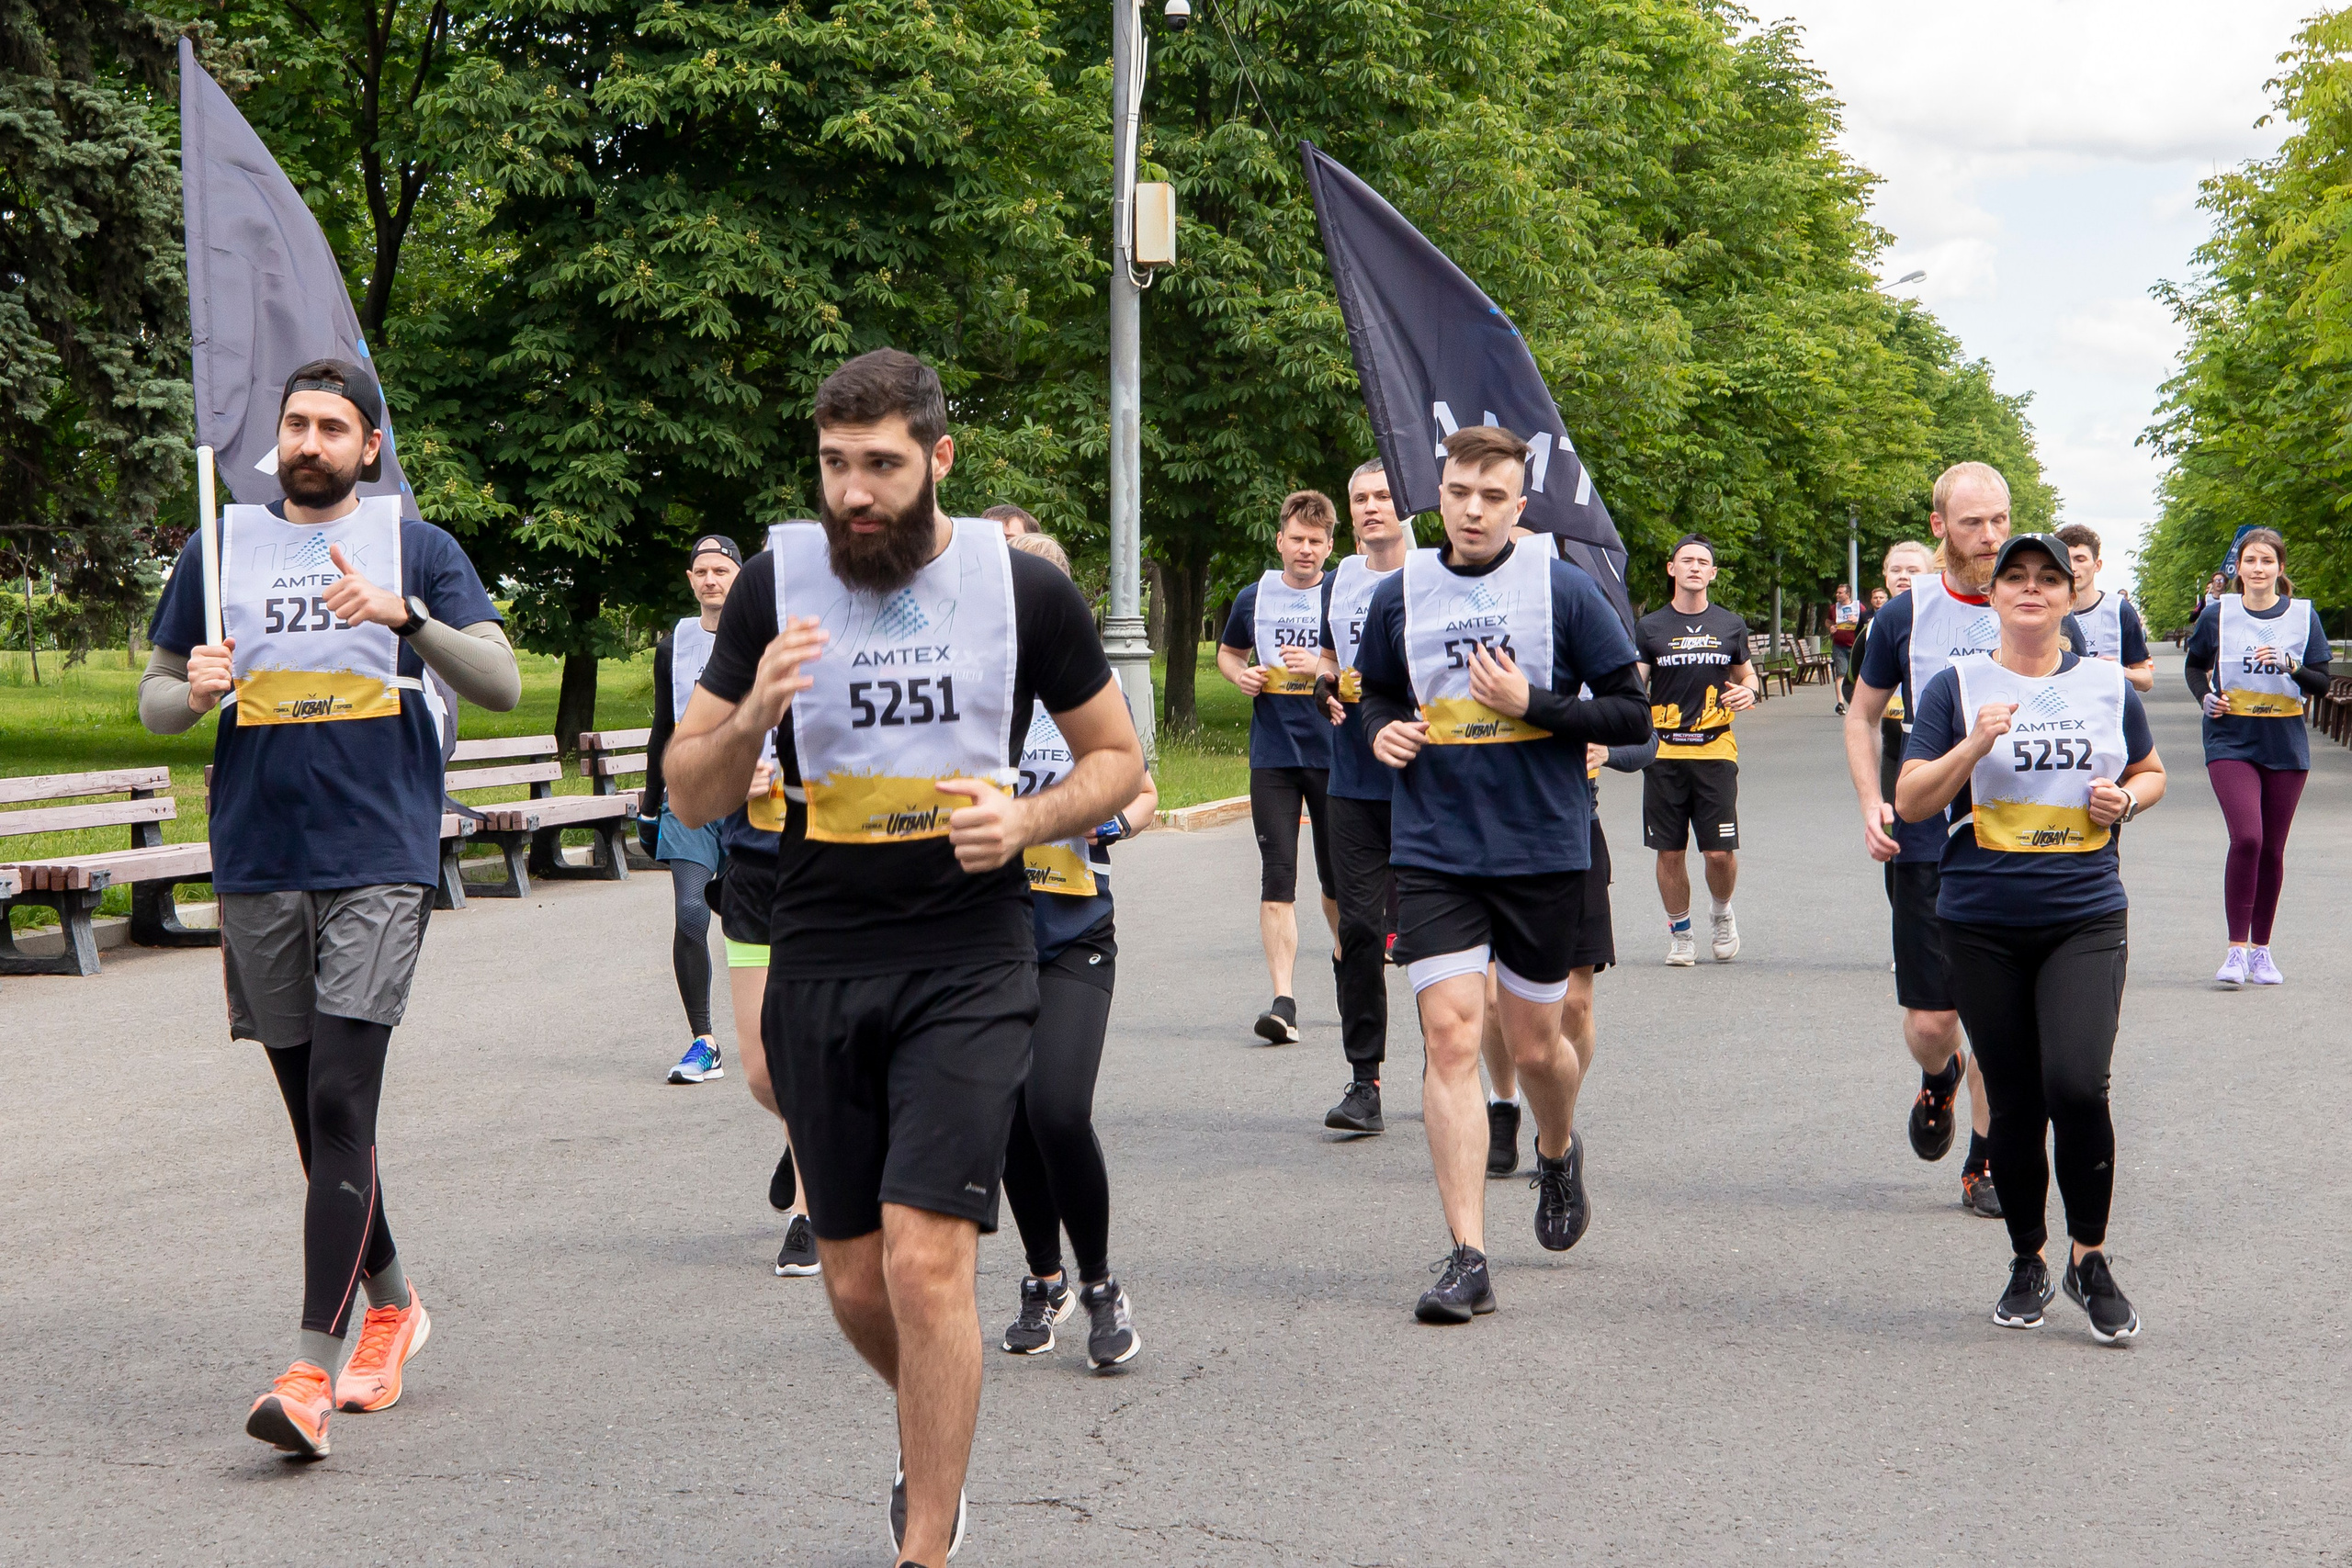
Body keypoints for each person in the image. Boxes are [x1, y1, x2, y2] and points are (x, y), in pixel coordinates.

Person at [662, 348, 1143, 1568]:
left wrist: (1029, 819)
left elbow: (1119, 760)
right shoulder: (779, 584)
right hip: (823, 952)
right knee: (858, 1281)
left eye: (880, 464)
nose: (855, 493)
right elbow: (689, 778)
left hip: (969, 952)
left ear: (939, 457)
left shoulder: (1019, 589)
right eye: (835, 465)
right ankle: (932, 1423)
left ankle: (927, 1535)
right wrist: (756, 710)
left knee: (931, 1260)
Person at [139, 357, 521, 1457]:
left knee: (345, 1102)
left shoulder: (418, 548)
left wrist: (406, 619)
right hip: (258, 853)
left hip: (376, 853)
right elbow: (159, 701)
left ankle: (309, 1368)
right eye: (296, 424)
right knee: (316, 1115)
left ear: (370, 445)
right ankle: (395, 1306)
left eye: (332, 427)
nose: (309, 442)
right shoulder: (216, 552)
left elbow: (497, 684)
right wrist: (194, 688)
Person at [1355, 424, 1649, 1323]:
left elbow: (1632, 715)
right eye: (1457, 492)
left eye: (1492, 496)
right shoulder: (1400, 595)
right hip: (1436, 846)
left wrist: (1536, 705)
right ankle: (1467, 1256)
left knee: (1533, 1046)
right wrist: (1380, 730)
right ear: (1435, 497)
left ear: (1518, 506)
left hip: (1540, 847)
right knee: (1449, 1038)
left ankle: (1557, 1151)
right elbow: (1373, 690)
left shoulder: (1560, 589)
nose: (1473, 508)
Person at [1895, 532, 2165, 1342]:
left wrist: (2129, 799)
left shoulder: (2107, 685)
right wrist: (1974, 744)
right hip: (1981, 920)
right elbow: (1911, 799)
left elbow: (2150, 771)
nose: (2032, 589)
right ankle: (2029, 1257)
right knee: (2014, 1101)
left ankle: (2091, 1258)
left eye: (2049, 577)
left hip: (2084, 911)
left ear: (2067, 594)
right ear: (1993, 595)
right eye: (2015, 576)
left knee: (2078, 1084)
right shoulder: (1956, 686)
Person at [1847, 470, 2085, 1217]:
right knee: (1931, 1022)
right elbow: (1862, 716)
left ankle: (1983, 1160)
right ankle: (1939, 1075)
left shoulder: (2036, 609)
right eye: (1975, 523)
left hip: (2020, 840)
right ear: (1940, 524)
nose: (1990, 538)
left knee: (1999, 1015)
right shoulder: (1906, 616)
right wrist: (1871, 803)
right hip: (1927, 834)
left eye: (2001, 520)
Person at [995, 530, 1157, 1369]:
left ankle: (1099, 1282)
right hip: (986, 934)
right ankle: (1042, 1274)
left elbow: (1144, 787)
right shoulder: (967, 688)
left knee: (1057, 1107)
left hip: (1074, 929)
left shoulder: (1091, 687)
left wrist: (1112, 819)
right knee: (1012, 1119)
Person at [1482, 725, 1657, 1181]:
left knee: (1575, 1009)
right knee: (1494, 1001)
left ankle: (1554, 1132)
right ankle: (1504, 1104)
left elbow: (1646, 740)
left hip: (1573, 832)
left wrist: (1607, 748)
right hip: (1493, 833)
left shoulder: (1592, 654)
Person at [1217, 491, 1341, 1045]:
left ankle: (1348, 968)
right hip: (1273, 754)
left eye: (1316, 541)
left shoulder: (1343, 596)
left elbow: (1372, 673)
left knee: (1337, 885)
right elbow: (1229, 652)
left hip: (1335, 753)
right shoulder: (1254, 596)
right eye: (1297, 539)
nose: (1306, 550)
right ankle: (1283, 1001)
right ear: (1280, 540)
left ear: (1330, 546)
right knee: (1277, 878)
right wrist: (1237, 675)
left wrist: (1322, 666)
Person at [2183, 528, 2332, 987]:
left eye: (2267, 561)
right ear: (2238, 569)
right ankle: (2235, 950)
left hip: (2284, 744)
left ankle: (2262, 950)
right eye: (2250, 560)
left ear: (2279, 569)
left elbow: (2321, 684)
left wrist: (2291, 665)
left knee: (2272, 849)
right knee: (2247, 837)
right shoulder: (2218, 615)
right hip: (2231, 740)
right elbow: (2194, 666)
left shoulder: (2303, 617)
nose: (2258, 569)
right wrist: (2205, 698)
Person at [1310, 459, 1408, 1134]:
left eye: (1382, 496)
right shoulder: (1340, 578)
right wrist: (1322, 682)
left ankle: (1453, 1069)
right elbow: (1326, 655)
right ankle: (1363, 1080)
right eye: (1361, 499)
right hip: (1350, 777)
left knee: (1433, 938)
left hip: (1424, 777)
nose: (1372, 507)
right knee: (1360, 928)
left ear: (1405, 507)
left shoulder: (1435, 571)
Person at [640, 535, 744, 1084]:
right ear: (690, 579)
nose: (710, 580)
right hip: (691, 800)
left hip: (755, 799)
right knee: (690, 912)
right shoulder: (673, 644)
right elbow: (664, 727)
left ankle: (787, 1032)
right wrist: (651, 803)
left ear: (739, 577)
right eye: (702, 571)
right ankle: (703, 1040)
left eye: (721, 571)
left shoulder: (763, 635)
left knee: (761, 924)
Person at [1635, 536, 1759, 965]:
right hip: (1664, 752)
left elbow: (1749, 678)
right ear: (1672, 569)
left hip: (1716, 748)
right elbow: (1635, 686)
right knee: (1669, 851)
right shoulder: (1650, 627)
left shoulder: (1730, 624)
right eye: (1685, 560)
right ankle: (1681, 933)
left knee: (1719, 852)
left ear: (1712, 574)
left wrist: (1748, 692)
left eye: (1702, 562)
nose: (1694, 566)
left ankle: (1722, 912)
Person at [722, 726, 819, 1277]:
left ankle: (807, 1215)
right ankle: (811, 1129)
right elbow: (691, 783)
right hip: (752, 882)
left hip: (821, 877)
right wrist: (730, 782)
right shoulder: (732, 679)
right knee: (762, 1074)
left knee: (803, 1057)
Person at [2052, 524, 2154, 693]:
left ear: (2097, 565)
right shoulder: (2043, 610)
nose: (2072, 567)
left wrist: (2117, 671)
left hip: (2107, 709)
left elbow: (2146, 680)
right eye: (2065, 559)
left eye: (2080, 559)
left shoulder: (2118, 609)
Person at [1830, 583, 1860, 714]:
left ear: (1848, 594)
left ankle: (1856, 703)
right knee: (1841, 674)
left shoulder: (1859, 607)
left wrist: (1857, 620)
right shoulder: (1833, 608)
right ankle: (1840, 703)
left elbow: (1866, 621)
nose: (1837, 595)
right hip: (1839, 645)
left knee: (1857, 675)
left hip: (1855, 646)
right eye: (1837, 592)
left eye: (1840, 593)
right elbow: (1829, 621)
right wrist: (1830, 628)